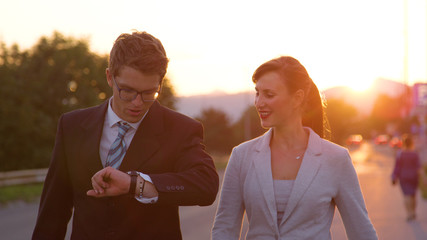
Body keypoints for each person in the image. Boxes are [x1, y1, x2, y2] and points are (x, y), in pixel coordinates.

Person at [32, 31, 219, 240]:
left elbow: (206, 186)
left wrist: (135, 184)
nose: (137, 103)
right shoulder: (72, 126)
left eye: (149, 93)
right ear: (110, 77)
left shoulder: (181, 129)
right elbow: (53, 212)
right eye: (127, 91)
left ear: (161, 84)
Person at [212, 56, 377, 239]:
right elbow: (224, 228)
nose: (259, 103)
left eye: (269, 94)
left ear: (297, 98)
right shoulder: (241, 156)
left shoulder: (336, 158)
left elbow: (362, 231)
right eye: (257, 93)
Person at [392, 134, 421, 221]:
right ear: (412, 143)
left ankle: (409, 214)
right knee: (413, 195)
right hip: (414, 177)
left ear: (404, 143)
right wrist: (423, 178)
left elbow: (397, 167)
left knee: (406, 195)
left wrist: (394, 177)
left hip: (403, 177)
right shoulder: (415, 154)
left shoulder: (400, 154)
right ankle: (413, 211)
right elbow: (418, 167)